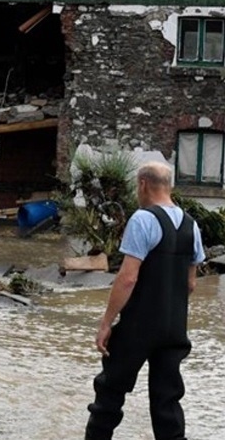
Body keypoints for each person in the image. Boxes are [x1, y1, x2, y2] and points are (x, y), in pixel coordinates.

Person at [85, 161, 205, 440]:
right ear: (169, 186)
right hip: (175, 330)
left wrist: (106, 323)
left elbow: (128, 278)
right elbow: (190, 283)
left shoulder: (143, 219)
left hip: (138, 328)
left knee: (110, 394)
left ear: (142, 184)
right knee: (167, 402)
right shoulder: (192, 225)